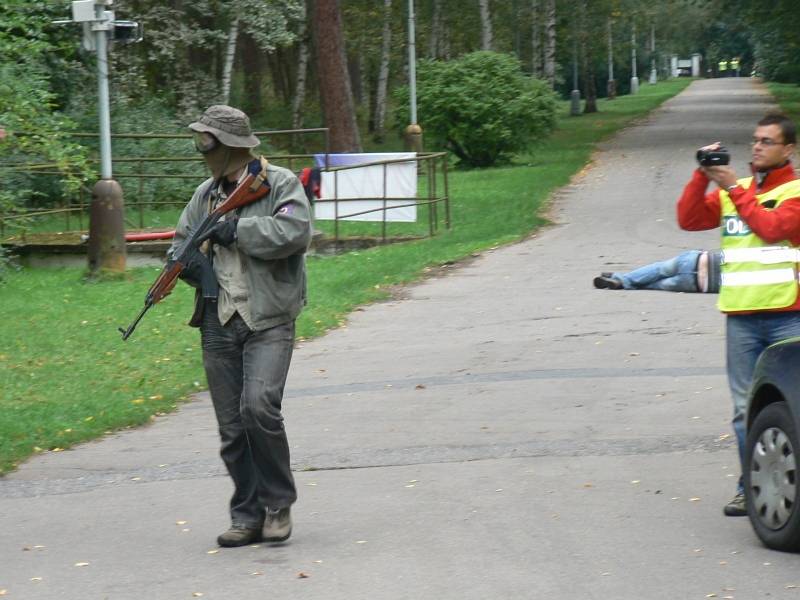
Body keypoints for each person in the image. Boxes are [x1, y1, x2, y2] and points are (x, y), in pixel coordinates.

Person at [170, 105, 312, 546]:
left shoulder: (279, 183)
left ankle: (277, 504)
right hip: (217, 319)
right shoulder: (203, 196)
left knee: (259, 409)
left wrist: (240, 230)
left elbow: (296, 230)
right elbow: (179, 245)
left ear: (228, 145)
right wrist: (188, 263)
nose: (201, 148)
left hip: (268, 316)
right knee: (232, 428)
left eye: (206, 140)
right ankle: (247, 515)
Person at [677, 113, 800, 517]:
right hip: (741, 316)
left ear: (789, 149)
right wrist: (702, 176)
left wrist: (732, 187)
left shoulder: (795, 191)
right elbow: (690, 218)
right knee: (743, 410)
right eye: (755, 140)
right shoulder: (738, 188)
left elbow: (770, 227)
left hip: (787, 314)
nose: (757, 147)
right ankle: (751, 488)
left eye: (767, 141)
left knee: (790, 406)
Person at [593, 250, 721, 293]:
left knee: (659, 269)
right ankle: (619, 281)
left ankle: (621, 278)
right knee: (655, 285)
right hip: (698, 284)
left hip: (695, 261)